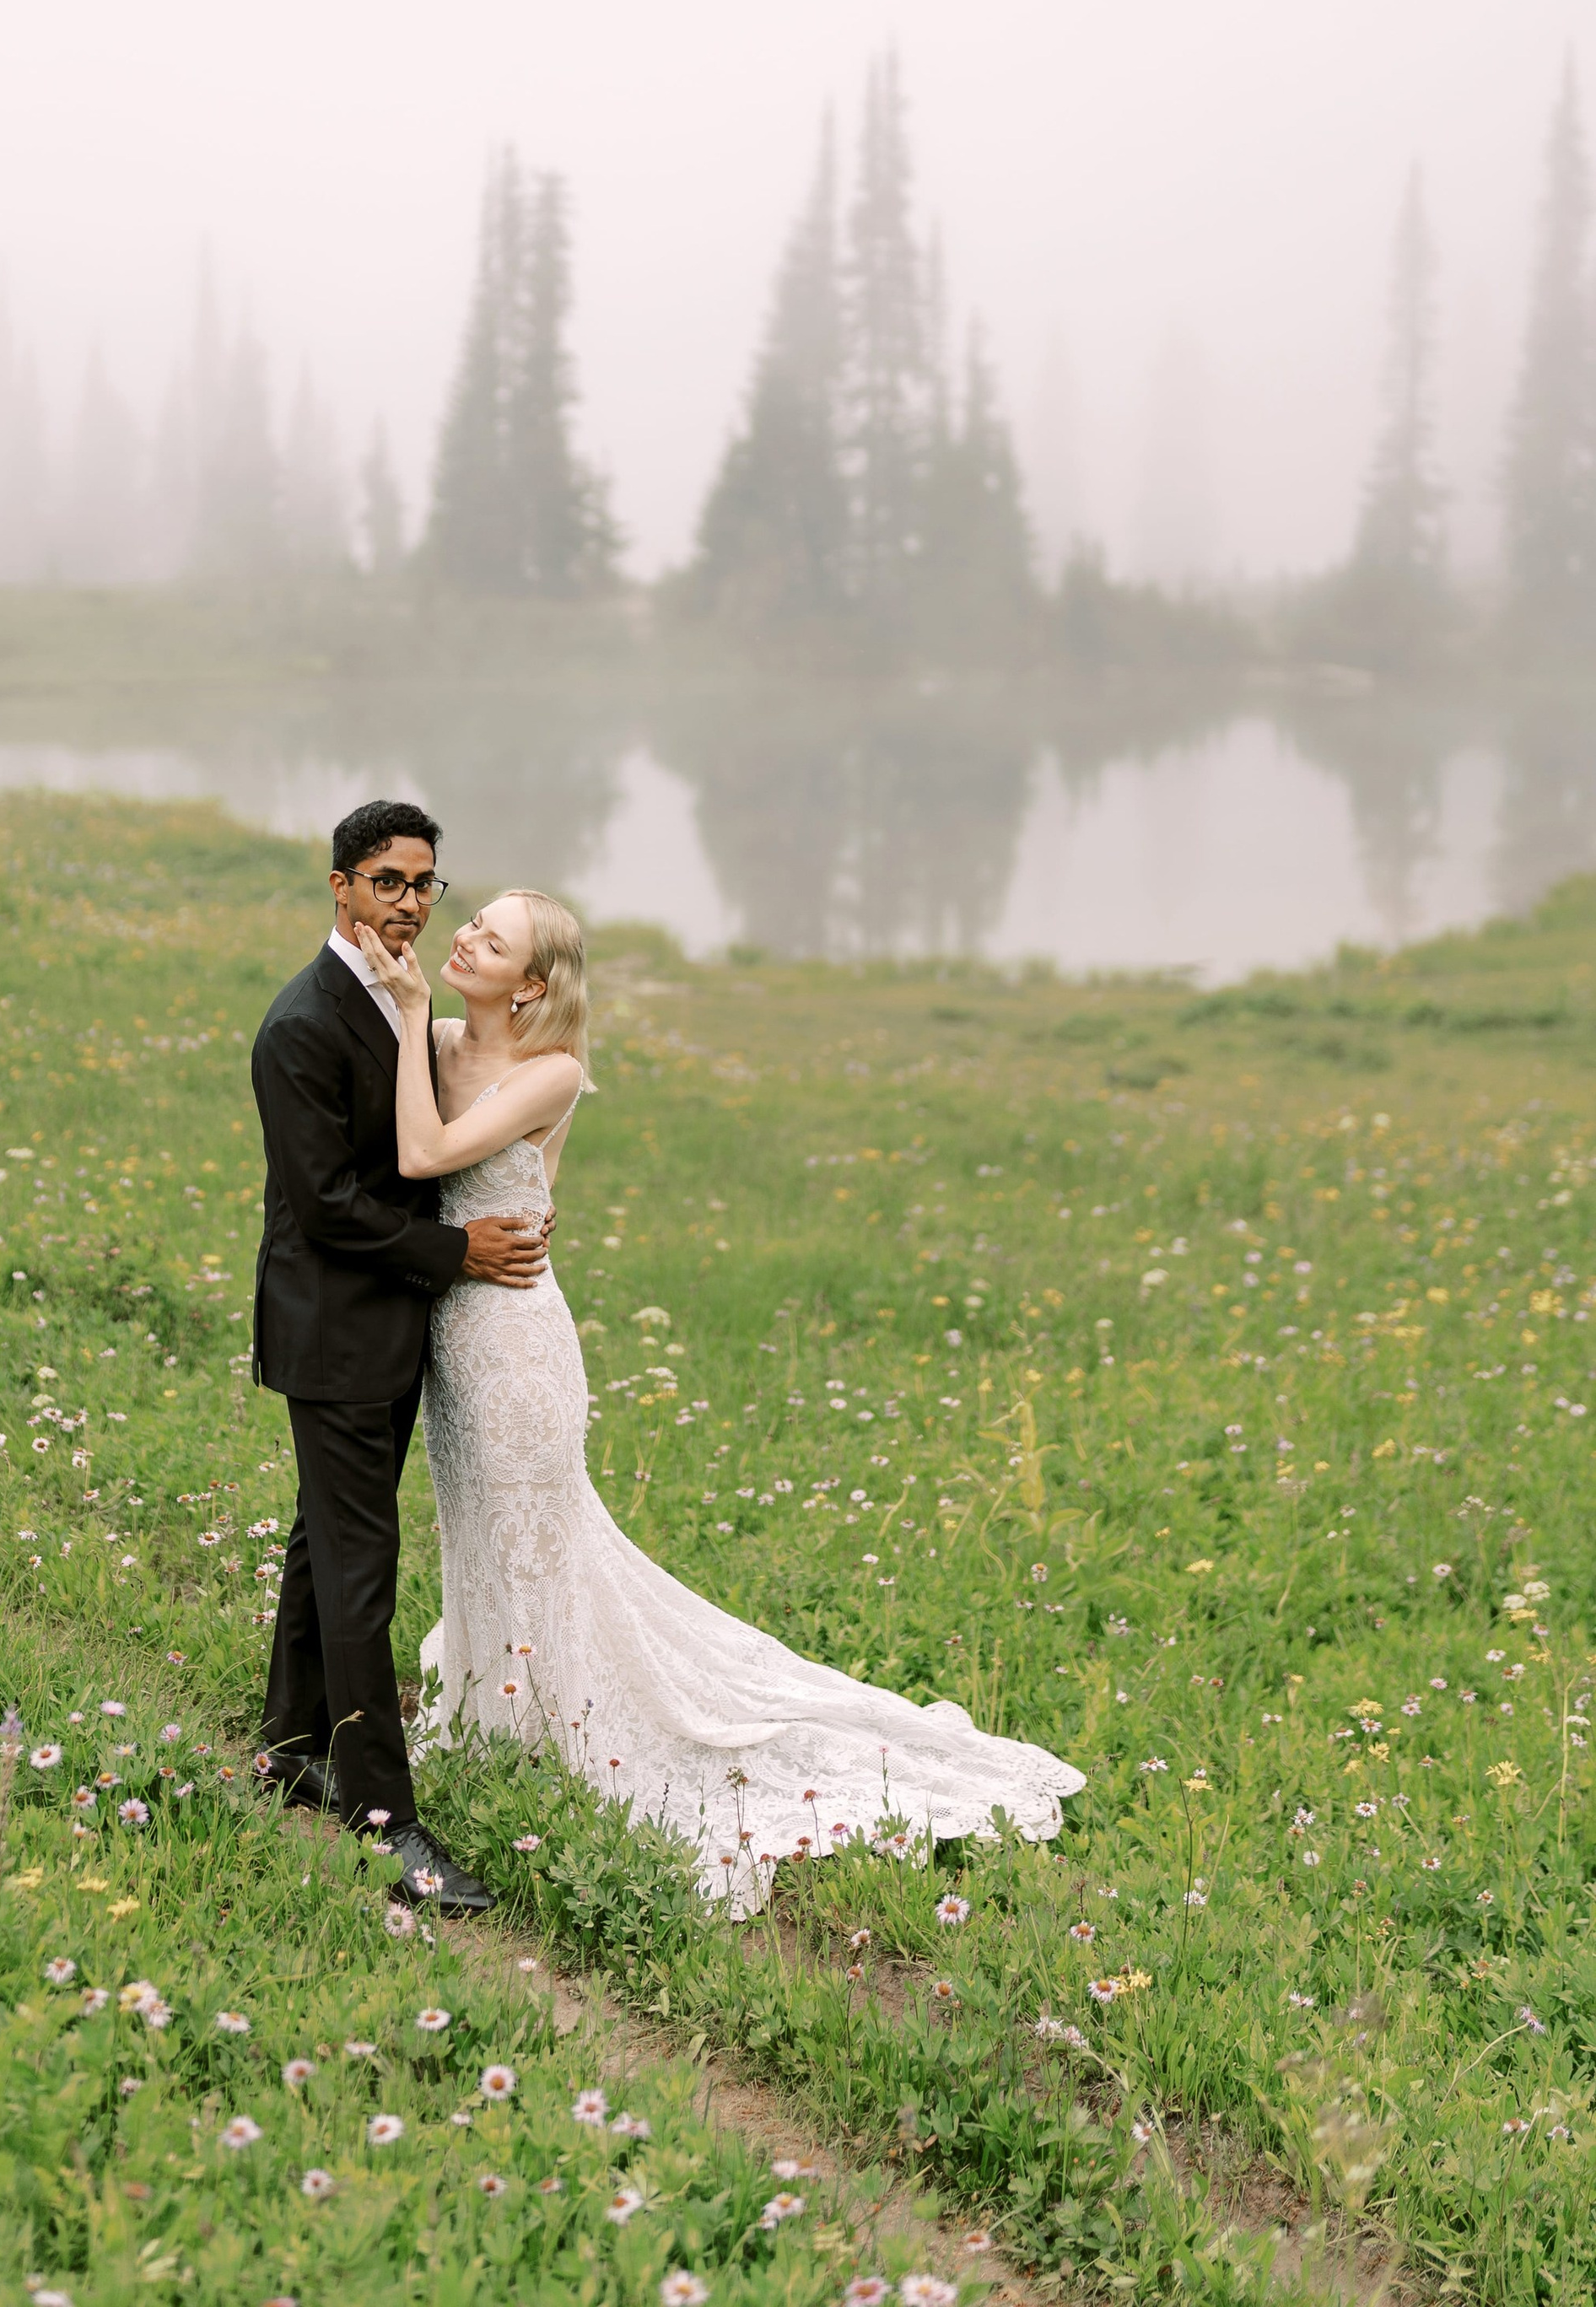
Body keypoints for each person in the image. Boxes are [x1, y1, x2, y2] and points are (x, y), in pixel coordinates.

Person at [355, 887, 1086, 1912]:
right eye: (470, 921)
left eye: (493, 938)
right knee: (477, 1531)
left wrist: (400, 1013)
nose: (464, 934)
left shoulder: (549, 1068)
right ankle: (500, 1714)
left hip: (517, 1341)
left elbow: (425, 1155)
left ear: (531, 985)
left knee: (540, 1536)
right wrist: (404, 1021)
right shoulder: (432, 1043)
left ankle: (574, 1731)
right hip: (448, 1339)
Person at [250, 799, 547, 1911]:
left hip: (386, 1330)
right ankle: (386, 1822)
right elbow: (325, 1208)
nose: (412, 905)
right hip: (332, 1333)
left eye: (426, 885)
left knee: (324, 1544)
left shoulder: (395, 996)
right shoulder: (301, 1026)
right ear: (340, 886)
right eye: (388, 883)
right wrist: (454, 1250)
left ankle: (289, 1745)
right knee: (361, 1574)